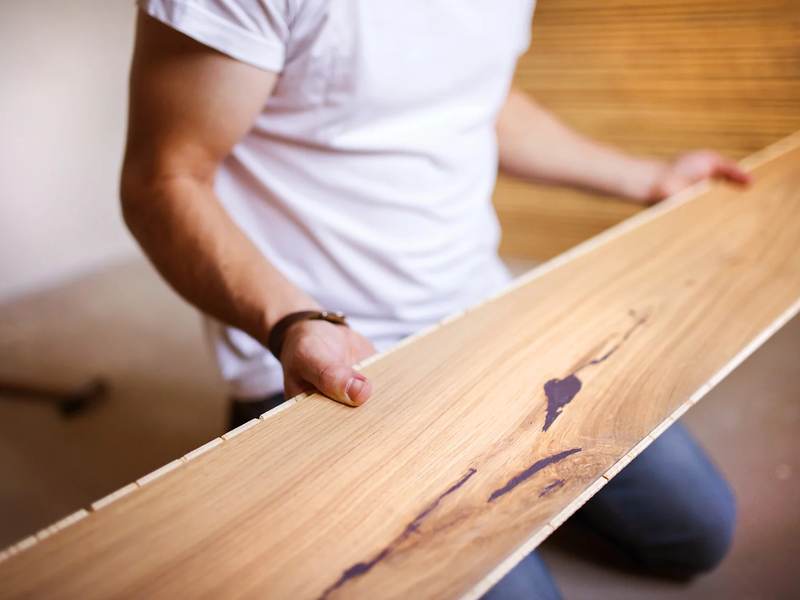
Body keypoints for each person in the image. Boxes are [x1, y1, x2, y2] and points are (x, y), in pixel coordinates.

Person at [121, 2, 744, 598]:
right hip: (326, 366)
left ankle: (492, 478)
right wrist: (290, 322)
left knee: (698, 533)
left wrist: (648, 178)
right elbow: (163, 179)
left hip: (484, 315)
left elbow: (479, 95)